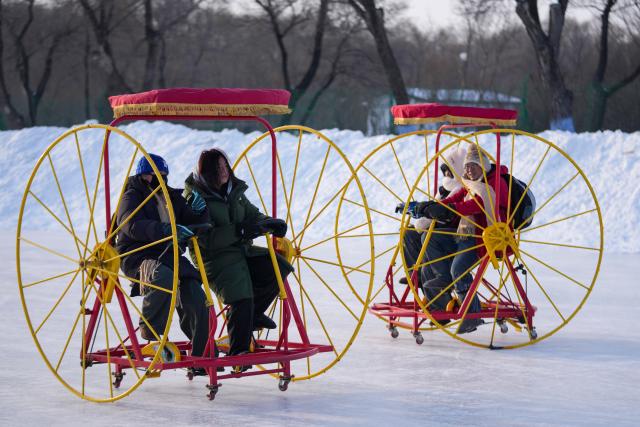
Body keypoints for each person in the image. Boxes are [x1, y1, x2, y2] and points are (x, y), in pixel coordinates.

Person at [183, 148, 293, 362]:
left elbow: (252, 214)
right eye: (218, 169)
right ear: (207, 173)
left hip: (241, 251)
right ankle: (238, 351)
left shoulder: (233, 191)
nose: (224, 172)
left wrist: (268, 222)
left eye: (226, 166)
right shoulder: (196, 198)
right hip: (214, 259)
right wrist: (240, 231)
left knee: (278, 267)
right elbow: (205, 238)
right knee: (241, 294)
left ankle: (251, 316)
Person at [114, 153, 210, 363]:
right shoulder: (131, 196)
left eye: (161, 175)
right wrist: (167, 230)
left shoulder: (169, 196)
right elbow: (131, 225)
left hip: (168, 254)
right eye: (151, 175)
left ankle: (202, 353)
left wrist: (199, 212)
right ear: (141, 175)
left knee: (195, 291)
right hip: (138, 256)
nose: (156, 179)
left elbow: (190, 220)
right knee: (163, 276)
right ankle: (149, 329)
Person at [414, 144, 509, 333]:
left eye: (473, 166)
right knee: (432, 237)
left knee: (459, 268)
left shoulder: (494, 185)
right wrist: (431, 206)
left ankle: (472, 315)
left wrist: (450, 210)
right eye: (466, 167)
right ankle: (443, 279)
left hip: (487, 239)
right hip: (466, 235)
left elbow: (476, 205)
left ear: (483, 166)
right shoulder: (470, 183)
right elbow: (454, 198)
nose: (468, 170)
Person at [397, 146, 466, 315]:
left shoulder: (461, 189)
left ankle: (439, 283)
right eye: (445, 172)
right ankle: (417, 273)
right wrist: (417, 210)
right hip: (439, 227)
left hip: (453, 234)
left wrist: (423, 214)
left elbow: (446, 211)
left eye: (449, 172)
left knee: (427, 236)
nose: (446, 176)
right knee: (409, 233)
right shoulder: (445, 189)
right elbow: (435, 206)